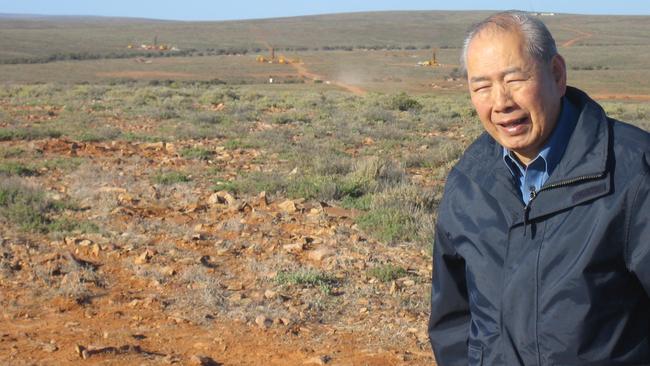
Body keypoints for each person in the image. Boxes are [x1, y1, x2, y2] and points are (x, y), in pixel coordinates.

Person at [428, 11, 650, 366]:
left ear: (557, 75)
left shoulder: (633, 173)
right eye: (481, 86)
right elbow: (452, 320)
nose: (501, 102)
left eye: (514, 80)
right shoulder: (469, 183)